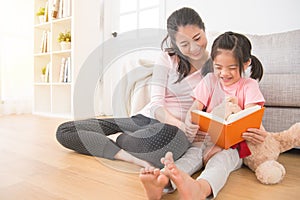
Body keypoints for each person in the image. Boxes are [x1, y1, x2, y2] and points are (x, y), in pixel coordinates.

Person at [56, 7, 211, 169]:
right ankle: (123, 147)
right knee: (64, 131)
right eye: (185, 44)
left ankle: (124, 142)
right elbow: (157, 105)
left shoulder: (218, 65)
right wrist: (182, 126)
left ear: (204, 30)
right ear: (175, 45)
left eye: (197, 38)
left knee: (170, 149)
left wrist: (189, 129)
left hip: (173, 133)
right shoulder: (167, 60)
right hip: (147, 120)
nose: (194, 48)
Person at [139, 31, 268, 200]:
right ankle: (163, 181)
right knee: (189, 158)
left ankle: (201, 188)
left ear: (245, 64)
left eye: (231, 68)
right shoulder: (209, 80)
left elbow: (249, 117)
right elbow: (194, 110)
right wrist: (190, 122)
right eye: (218, 67)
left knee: (219, 164)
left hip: (231, 148)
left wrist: (257, 132)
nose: (224, 74)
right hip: (203, 139)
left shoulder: (249, 86)